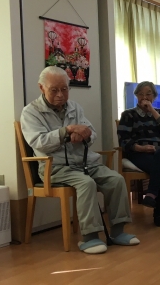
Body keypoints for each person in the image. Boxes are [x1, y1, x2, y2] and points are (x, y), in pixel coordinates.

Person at [21, 66, 138, 254]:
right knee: (86, 183)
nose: (60, 95)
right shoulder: (30, 112)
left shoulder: (75, 107)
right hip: (56, 168)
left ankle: (118, 232)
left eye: (64, 89)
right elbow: (38, 142)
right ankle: (90, 237)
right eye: (54, 90)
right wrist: (66, 131)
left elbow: (91, 133)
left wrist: (84, 134)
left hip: (85, 162)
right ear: (41, 88)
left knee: (116, 180)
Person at [118, 81, 160, 228]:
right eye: (141, 94)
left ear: (154, 97)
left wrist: (152, 111)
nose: (144, 97)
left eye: (148, 94)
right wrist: (141, 148)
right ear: (136, 96)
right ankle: (159, 215)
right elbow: (123, 140)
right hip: (139, 153)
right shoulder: (128, 115)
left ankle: (151, 194)